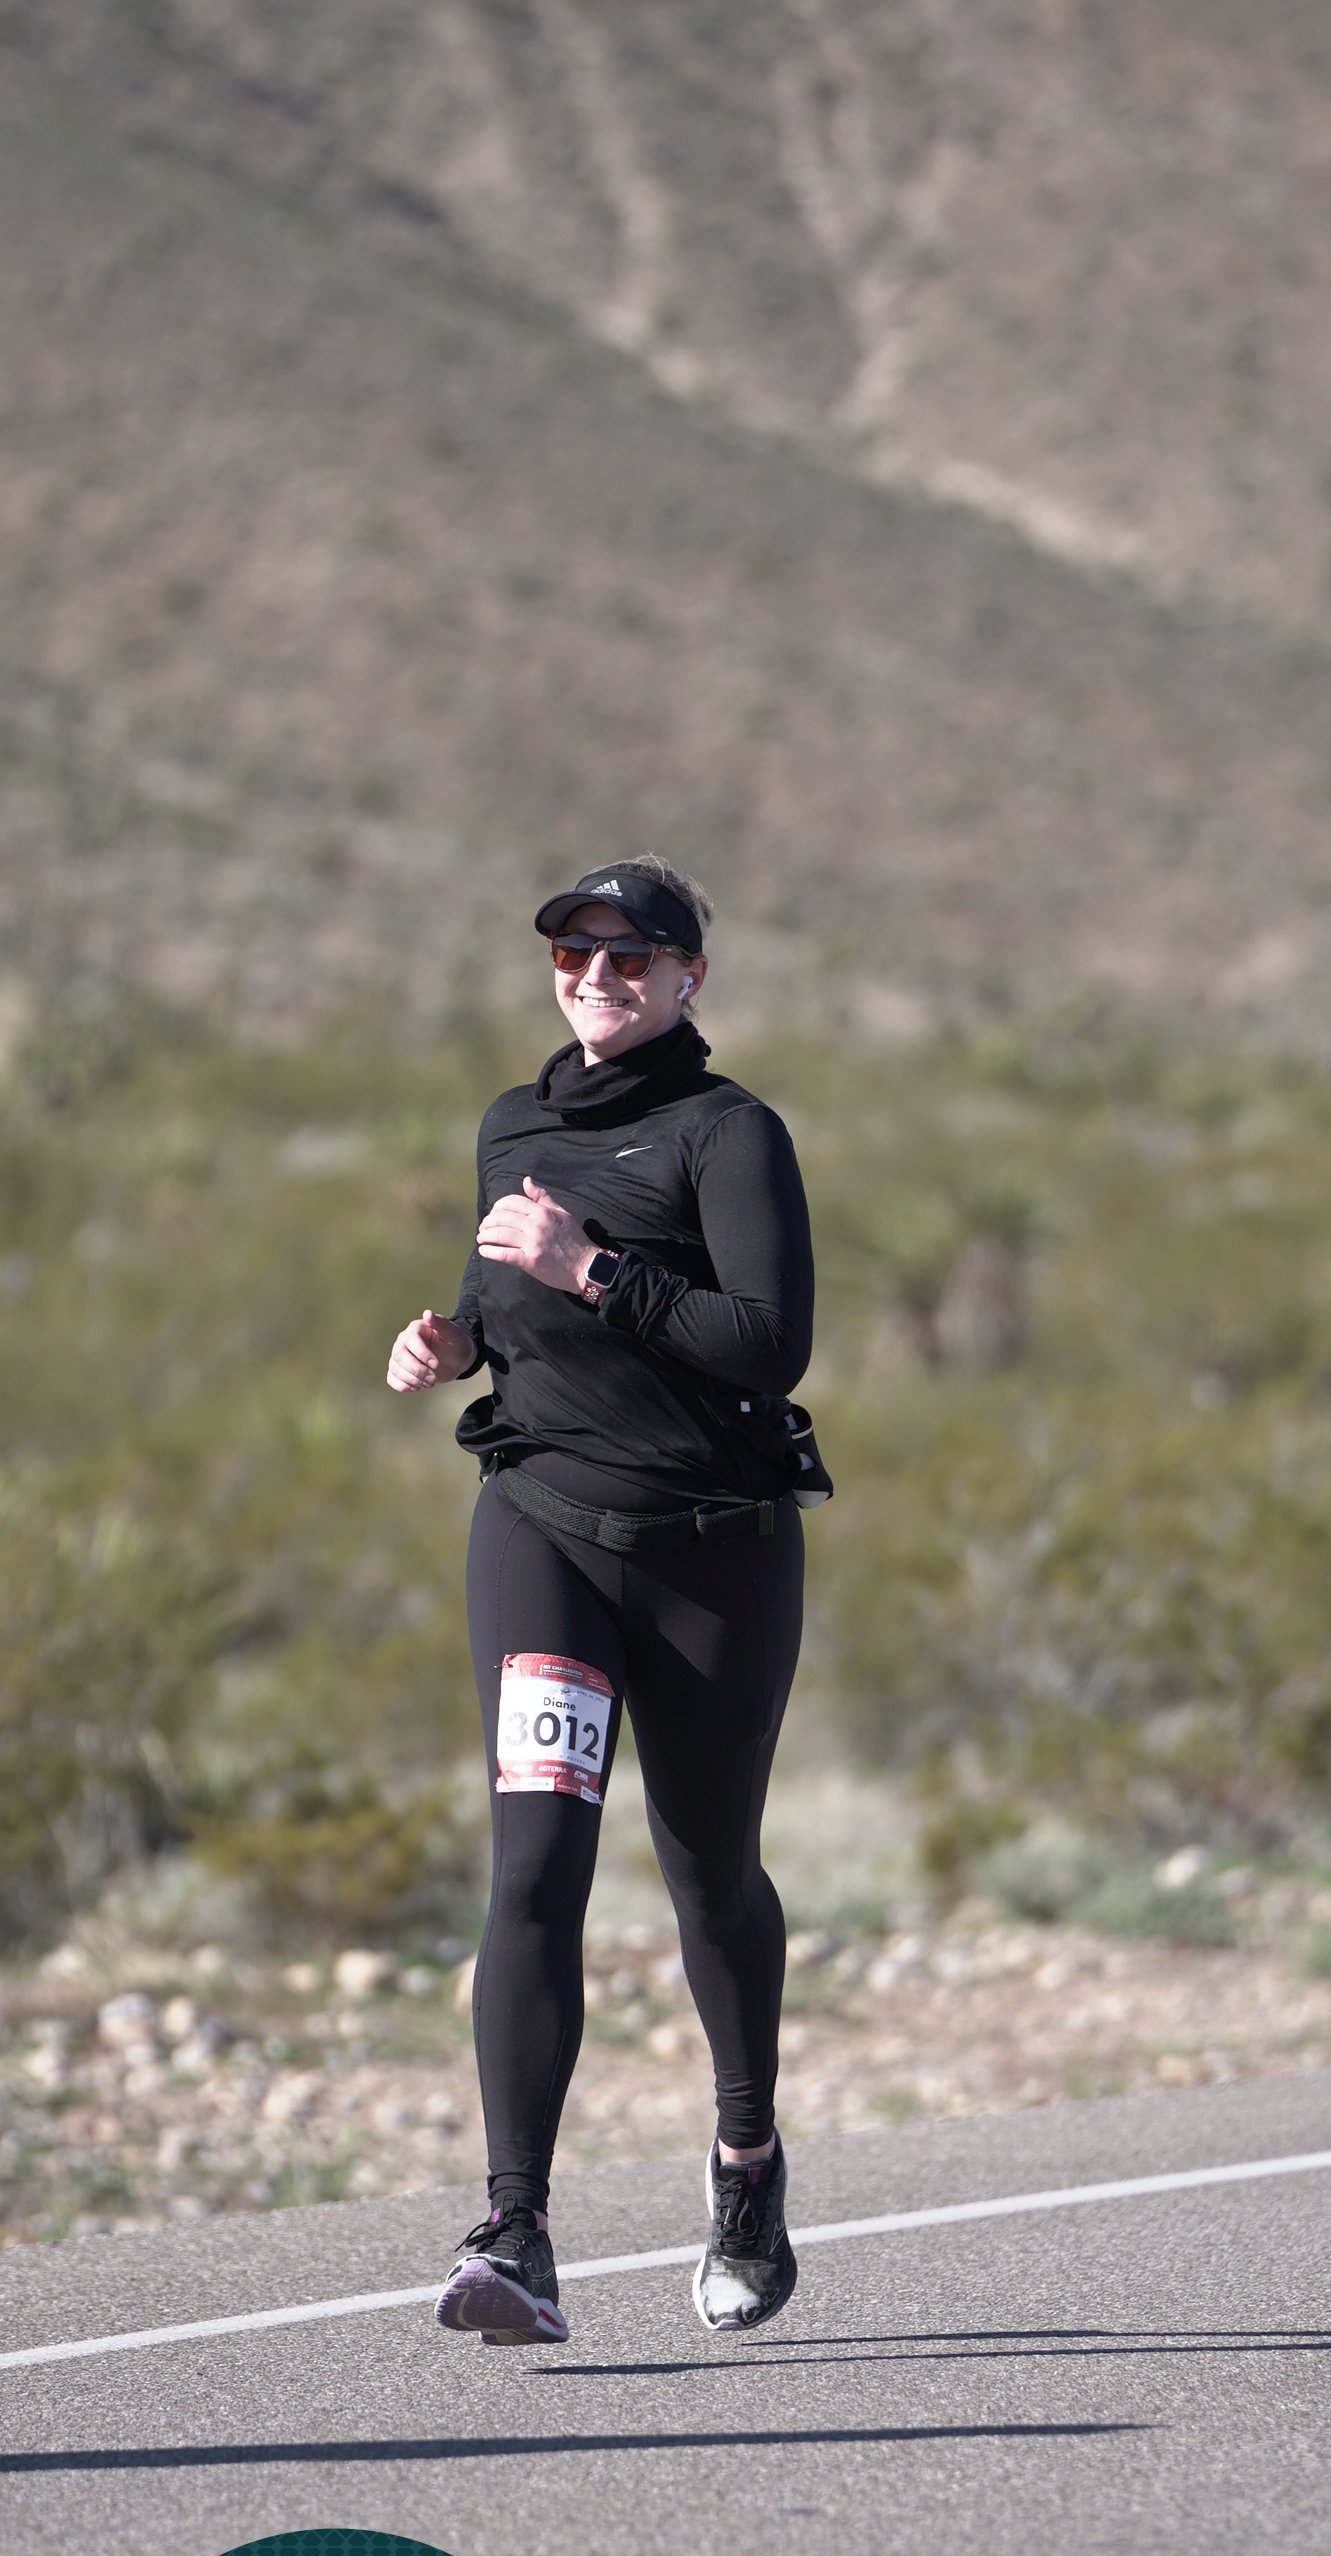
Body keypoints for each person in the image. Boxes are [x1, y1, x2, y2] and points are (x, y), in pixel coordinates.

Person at [386, 854, 814, 2343]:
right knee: (534, 1868)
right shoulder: (514, 1122)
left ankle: (746, 2159)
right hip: (544, 1533)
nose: (597, 978)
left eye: (632, 956)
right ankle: (515, 2230)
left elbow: (767, 1344)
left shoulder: (730, 1132)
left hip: (710, 1554)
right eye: (574, 953)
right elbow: (497, 1289)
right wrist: (452, 1340)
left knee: (710, 1875)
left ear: (691, 975)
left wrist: (591, 1271)